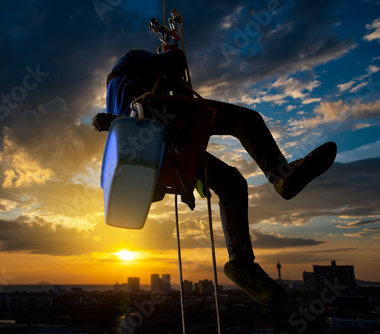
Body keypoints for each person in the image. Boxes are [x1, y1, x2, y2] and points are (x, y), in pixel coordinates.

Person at [104, 48, 337, 306]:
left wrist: (195, 179)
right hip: (155, 124)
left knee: (232, 183)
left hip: (155, 150)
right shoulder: (134, 61)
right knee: (244, 120)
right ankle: (281, 175)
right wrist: (174, 52)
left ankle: (242, 262)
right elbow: (173, 68)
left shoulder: (118, 99)